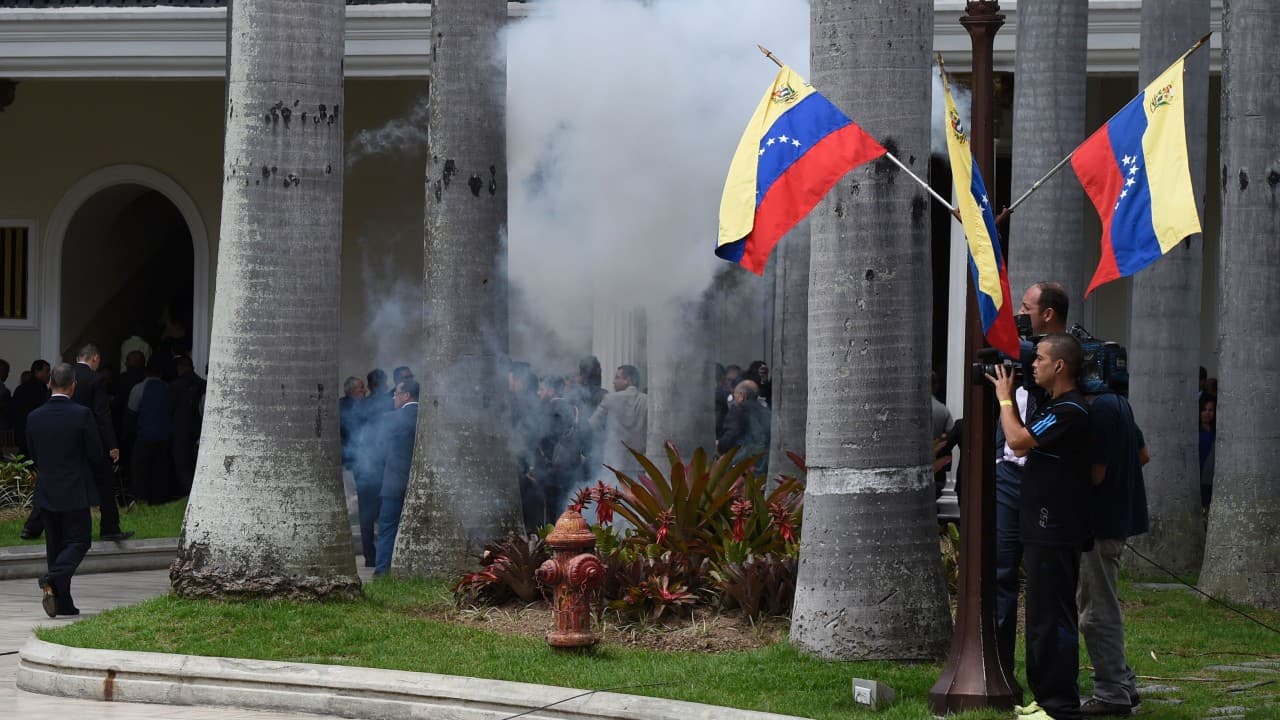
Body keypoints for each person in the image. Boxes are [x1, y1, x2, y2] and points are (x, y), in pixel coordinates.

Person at [988, 333, 1091, 720]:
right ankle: (1046, 697)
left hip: (1055, 527)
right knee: (1041, 618)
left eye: (1040, 359)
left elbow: (1016, 441)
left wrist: (1003, 395)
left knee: (1052, 618)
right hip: (1042, 526)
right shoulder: (1058, 406)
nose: (1032, 365)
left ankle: (1059, 704)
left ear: (1059, 366)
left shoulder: (1069, 410)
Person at [994, 281, 1070, 676]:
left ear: (1048, 314)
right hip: (1008, 474)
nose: (1021, 314)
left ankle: (1049, 683)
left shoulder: (1065, 360)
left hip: (1042, 480)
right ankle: (1001, 673)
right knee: (1001, 573)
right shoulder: (1023, 356)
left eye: (1026, 307)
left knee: (1045, 585)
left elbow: (1024, 441)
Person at [1078, 380, 1149, 716]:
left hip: (1098, 527)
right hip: (1114, 523)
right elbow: (1143, 455)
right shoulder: (1119, 404)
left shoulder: (1099, 410)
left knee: (1096, 612)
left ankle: (1111, 692)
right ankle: (1123, 684)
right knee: (1101, 606)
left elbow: (1095, 473)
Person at [27, 362, 111, 617]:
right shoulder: (82, 414)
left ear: (50, 383)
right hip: (74, 488)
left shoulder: (34, 416)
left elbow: (31, 452)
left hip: (47, 489)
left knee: (55, 546)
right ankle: (52, 580)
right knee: (79, 541)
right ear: (73, 386)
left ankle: (62, 603)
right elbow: (96, 453)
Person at [73, 344, 132, 541]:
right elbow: (102, 414)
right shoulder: (96, 379)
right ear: (95, 358)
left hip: (69, 438)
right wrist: (112, 444)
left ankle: (37, 526)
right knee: (106, 484)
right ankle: (109, 528)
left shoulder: (65, 374)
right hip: (92, 440)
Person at [373, 379, 418, 576]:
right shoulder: (428, 418)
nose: (394, 397)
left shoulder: (390, 419)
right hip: (419, 484)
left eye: (397, 394)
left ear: (406, 395)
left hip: (393, 483)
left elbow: (379, 451)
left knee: (387, 529)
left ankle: (382, 572)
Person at [589, 365, 647, 479]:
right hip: (639, 465)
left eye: (617, 377)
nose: (613, 382)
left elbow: (592, 424)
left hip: (614, 465)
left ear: (628, 380)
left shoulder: (609, 399)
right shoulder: (647, 400)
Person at [128, 361, 173, 504]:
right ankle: (159, 500)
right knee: (160, 470)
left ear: (145, 373)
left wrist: (128, 435)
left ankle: (141, 498)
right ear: (160, 374)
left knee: (141, 469)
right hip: (164, 436)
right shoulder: (168, 388)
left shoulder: (138, 389)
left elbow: (131, 412)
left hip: (144, 436)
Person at [168, 355, 206, 497]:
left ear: (180, 369)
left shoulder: (175, 386)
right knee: (194, 463)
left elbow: (169, 409)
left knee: (182, 464)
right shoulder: (203, 384)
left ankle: (191, 493)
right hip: (198, 430)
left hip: (181, 431)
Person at [716, 379, 771, 473]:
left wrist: (720, 446)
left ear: (741, 395)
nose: (734, 398)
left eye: (735, 395)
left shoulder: (738, 409)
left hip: (742, 462)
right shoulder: (766, 411)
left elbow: (732, 433)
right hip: (763, 461)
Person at [1199, 393, 1216, 510]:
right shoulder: (1194, 432)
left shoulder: (1217, 432)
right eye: (1204, 410)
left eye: (1211, 410)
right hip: (1198, 478)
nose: (1207, 413)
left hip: (1212, 479)